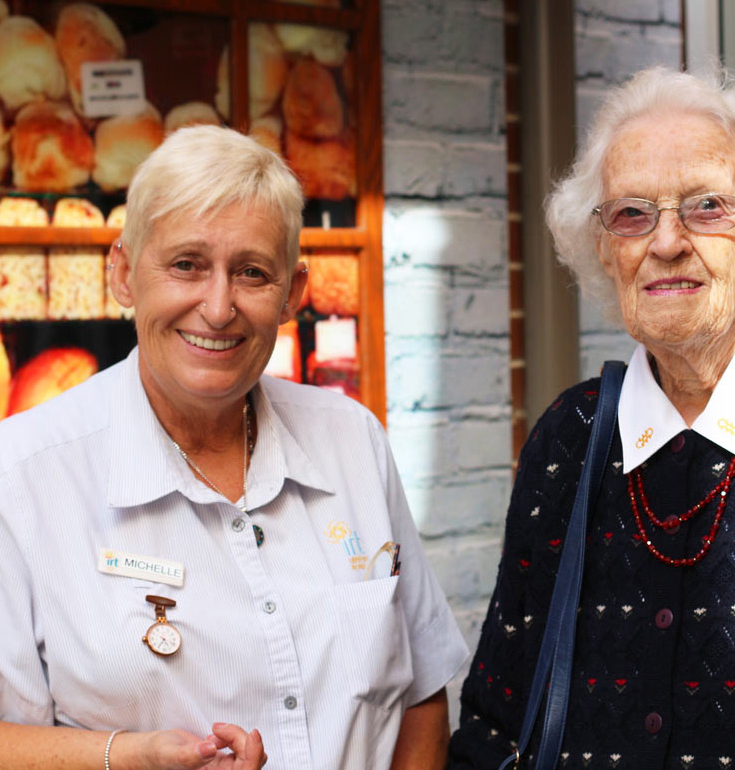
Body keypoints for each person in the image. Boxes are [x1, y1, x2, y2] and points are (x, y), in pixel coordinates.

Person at [0, 125, 468, 770]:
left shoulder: (350, 438)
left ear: (292, 294)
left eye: (251, 272)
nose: (218, 308)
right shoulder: (22, 476)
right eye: (186, 265)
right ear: (123, 274)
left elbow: (420, 690)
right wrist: (130, 757)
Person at [448, 66, 735, 769]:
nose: (665, 242)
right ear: (606, 249)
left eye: (705, 206)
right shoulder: (566, 439)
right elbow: (495, 720)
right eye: (633, 214)